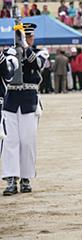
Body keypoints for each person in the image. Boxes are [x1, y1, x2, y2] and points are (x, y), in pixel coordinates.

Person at [2, 23, 46, 195]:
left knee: (28, 141)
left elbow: (38, 64)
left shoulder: (41, 52)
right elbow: (6, 71)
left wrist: (26, 48)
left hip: (29, 101)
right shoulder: (9, 53)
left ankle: (26, 177)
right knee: (11, 141)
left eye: (29, 36)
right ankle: (11, 179)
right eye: (23, 36)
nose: (26, 39)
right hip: (11, 101)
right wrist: (11, 55)